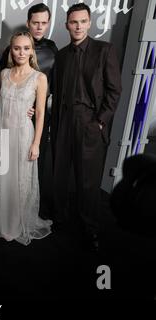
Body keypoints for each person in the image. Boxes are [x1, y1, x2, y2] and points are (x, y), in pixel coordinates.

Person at [51, 3, 122, 251]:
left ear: (90, 23)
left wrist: (100, 121)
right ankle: (60, 219)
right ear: (66, 25)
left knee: (88, 182)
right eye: (73, 22)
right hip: (64, 121)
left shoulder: (104, 50)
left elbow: (114, 91)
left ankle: (90, 228)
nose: (78, 26)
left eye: (83, 21)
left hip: (90, 121)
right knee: (60, 176)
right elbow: (56, 92)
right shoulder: (60, 55)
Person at [0, 32, 52, 245]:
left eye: (26, 48)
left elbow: (41, 114)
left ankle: (18, 224)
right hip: (3, 133)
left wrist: (36, 143)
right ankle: (5, 224)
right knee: (4, 180)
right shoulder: (4, 74)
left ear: (32, 51)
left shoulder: (39, 78)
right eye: (17, 48)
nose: (21, 52)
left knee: (21, 182)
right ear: (11, 50)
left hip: (24, 135)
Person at [0, 3, 58, 218]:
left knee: (29, 171)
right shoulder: (7, 62)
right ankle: (5, 214)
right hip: (8, 122)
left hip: (34, 122)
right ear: (28, 23)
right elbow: (0, 91)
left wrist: (33, 106)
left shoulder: (53, 50)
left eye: (44, 23)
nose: (40, 27)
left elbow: (53, 89)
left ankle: (22, 214)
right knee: (5, 171)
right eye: (36, 23)